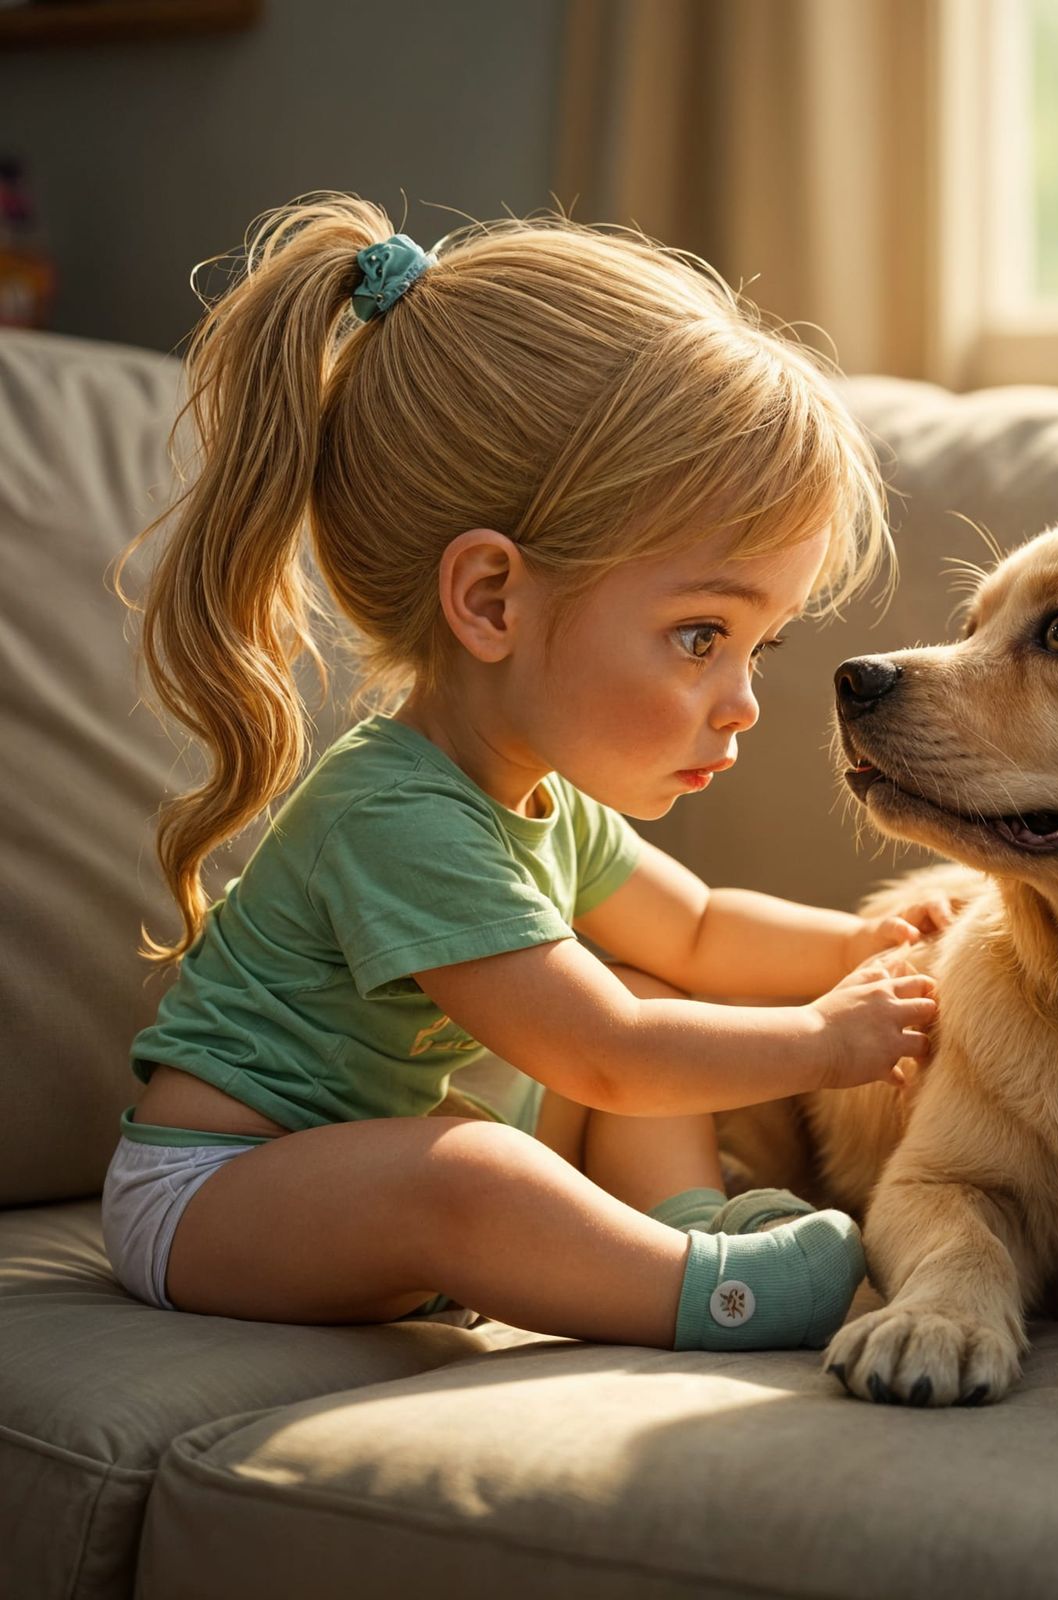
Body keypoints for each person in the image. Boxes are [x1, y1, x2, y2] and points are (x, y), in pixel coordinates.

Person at [104, 194, 945, 1356]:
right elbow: (597, 1053)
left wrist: (868, 950)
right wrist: (822, 1039)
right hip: (214, 1201)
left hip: (343, 1183)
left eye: (762, 646)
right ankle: (712, 1294)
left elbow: (699, 930)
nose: (744, 699)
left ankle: (685, 1221)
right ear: (493, 599)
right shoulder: (393, 813)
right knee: (477, 1161)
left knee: (654, 989)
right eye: (703, 635)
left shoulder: (544, 801)